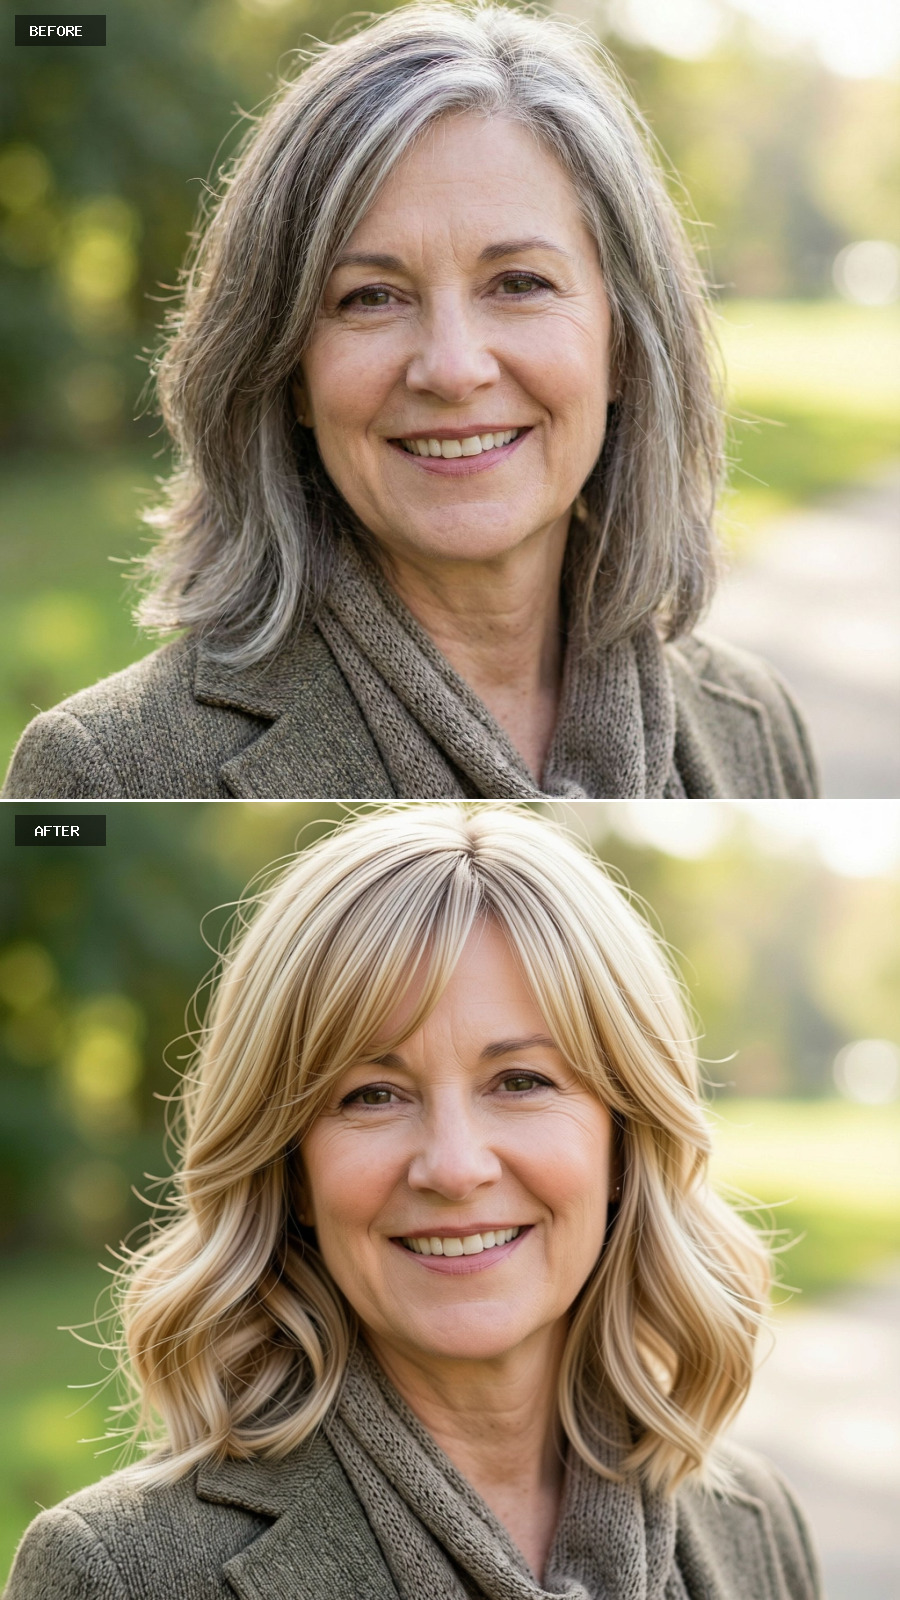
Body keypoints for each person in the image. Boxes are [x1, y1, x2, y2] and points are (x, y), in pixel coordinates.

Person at [3, 4, 817, 802]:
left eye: (520, 283)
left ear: (627, 346)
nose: (453, 368)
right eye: (371, 298)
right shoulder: (105, 771)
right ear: (288, 372)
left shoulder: (754, 721)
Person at [5, 804, 821, 1598]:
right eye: (372, 1095)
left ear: (623, 1142)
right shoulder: (118, 1575)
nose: (454, 1167)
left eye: (522, 1081)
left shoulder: (753, 1525)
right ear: (291, 1169)